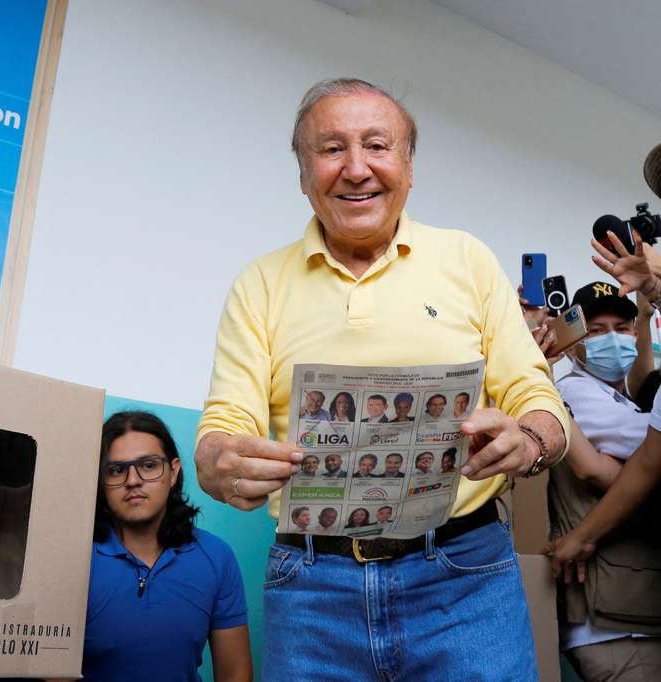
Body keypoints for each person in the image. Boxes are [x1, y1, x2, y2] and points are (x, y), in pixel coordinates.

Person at [194, 77, 567, 679]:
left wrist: (529, 440)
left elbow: (535, 394)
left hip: (465, 579)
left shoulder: (467, 259)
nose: (356, 168)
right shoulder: (258, 283)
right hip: (312, 589)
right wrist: (217, 458)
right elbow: (226, 419)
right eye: (331, 148)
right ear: (302, 172)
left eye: (377, 145)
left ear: (409, 166)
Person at [539, 253, 661, 676]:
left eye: (622, 328)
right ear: (572, 340)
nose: (614, 339)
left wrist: (644, 319)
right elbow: (646, 450)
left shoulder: (618, 395)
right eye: (596, 331)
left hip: (632, 610)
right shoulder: (577, 392)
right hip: (613, 625)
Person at [80, 411, 251, 682]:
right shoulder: (74, 558)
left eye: (148, 465)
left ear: (173, 472)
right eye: (116, 470)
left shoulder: (216, 558)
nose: (132, 480)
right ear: (101, 483)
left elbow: (236, 674)